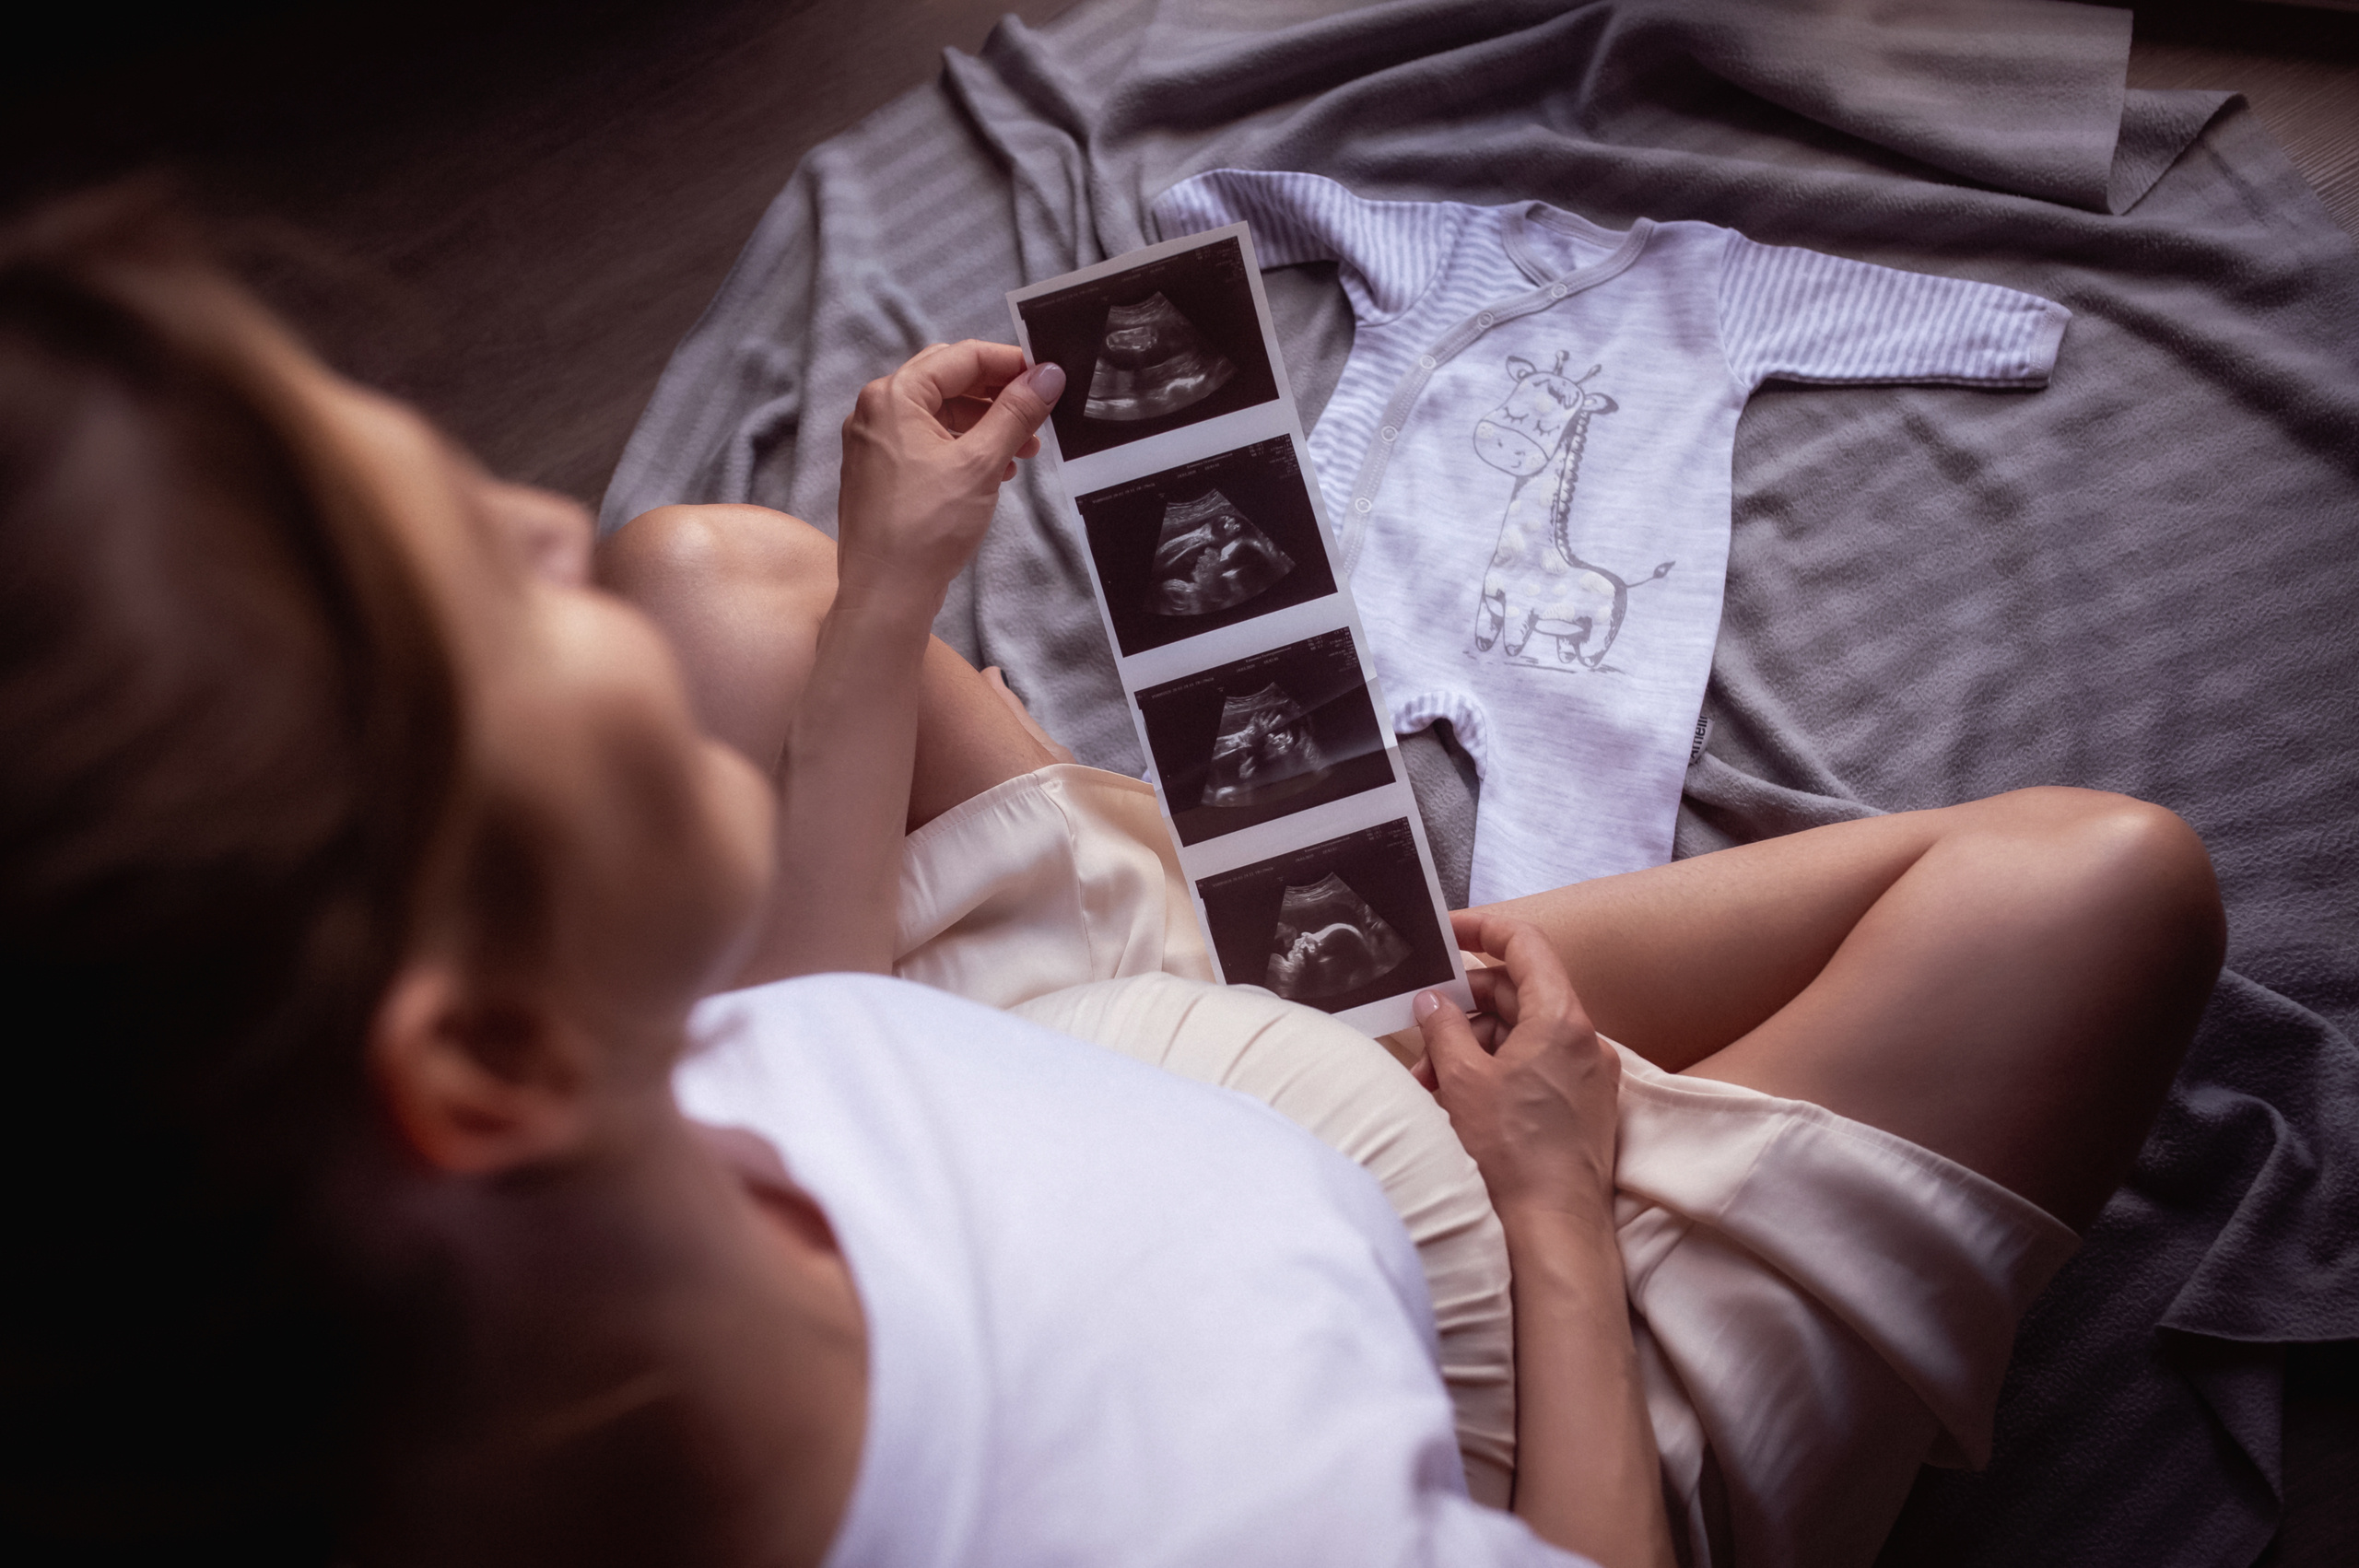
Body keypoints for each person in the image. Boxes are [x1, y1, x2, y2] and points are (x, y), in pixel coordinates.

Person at [0, 194, 2224, 1568]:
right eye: (483, 602)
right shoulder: (1196, 1509)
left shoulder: (515, 1180)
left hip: (1147, 1055)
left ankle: (1181, 869)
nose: (538, 512)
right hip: (1522, 1337)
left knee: (714, 579)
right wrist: (1550, 1202)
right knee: (2101, 884)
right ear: (486, 1050)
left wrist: (891, 601)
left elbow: (819, 1037)